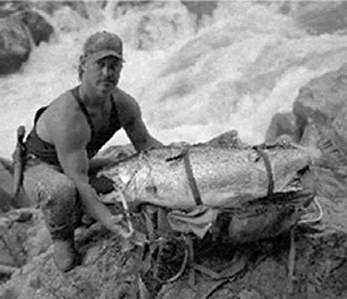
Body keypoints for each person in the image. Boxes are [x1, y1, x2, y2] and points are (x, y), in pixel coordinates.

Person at [21, 31, 163, 272]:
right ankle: (62, 238)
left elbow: (146, 145)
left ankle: (83, 211)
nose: (108, 73)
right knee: (62, 190)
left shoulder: (123, 104)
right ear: (83, 64)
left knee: (128, 159)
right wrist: (109, 222)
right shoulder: (68, 115)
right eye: (101, 64)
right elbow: (78, 181)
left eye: (114, 66)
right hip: (41, 168)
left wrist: (183, 156)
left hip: (79, 162)